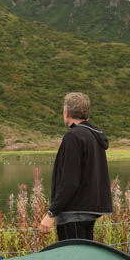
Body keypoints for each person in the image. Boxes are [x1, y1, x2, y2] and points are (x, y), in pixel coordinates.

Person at [39, 92, 112, 241]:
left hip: (71, 215)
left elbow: (69, 181)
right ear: (87, 114)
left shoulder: (73, 136)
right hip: (89, 212)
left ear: (66, 112)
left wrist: (51, 213)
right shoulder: (94, 136)